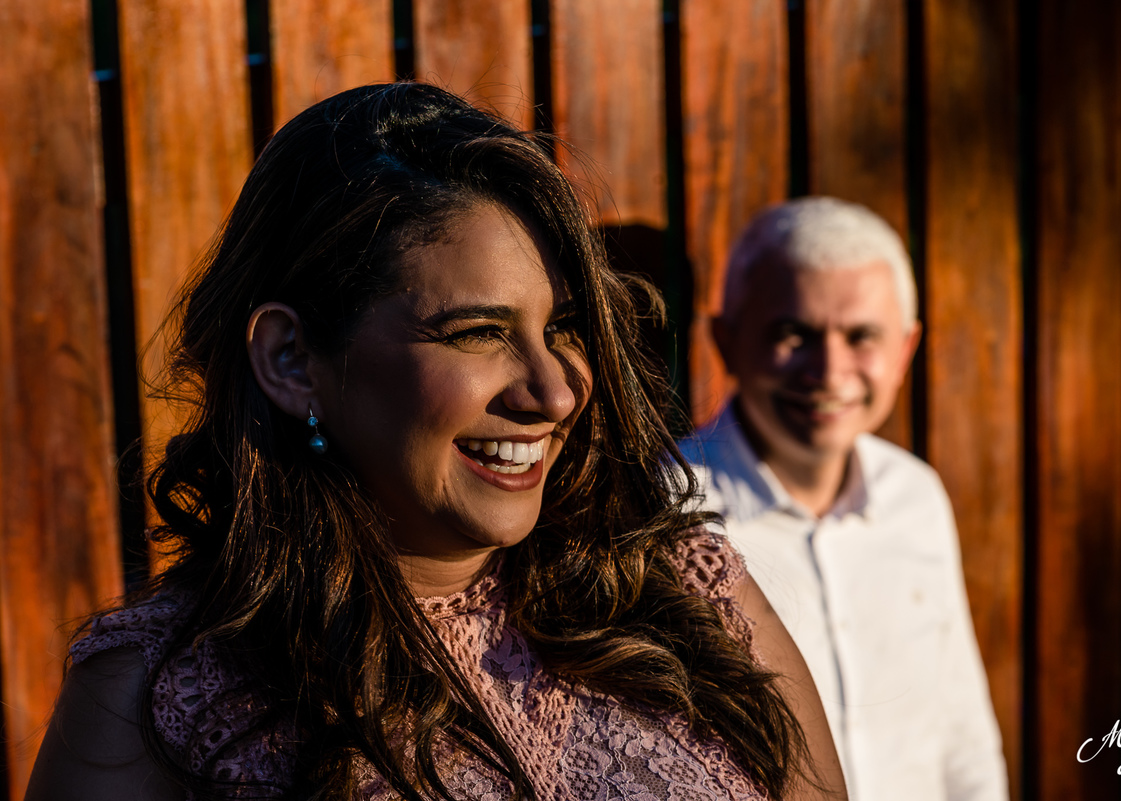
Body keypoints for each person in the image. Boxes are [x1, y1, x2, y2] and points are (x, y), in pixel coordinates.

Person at [25, 83, 845, 801]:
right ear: (291, 358)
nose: (554, 392)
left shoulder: (690, 595)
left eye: (563, 327)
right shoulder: (150, 697)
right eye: (477, 332)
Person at [678, 197, 1007, 801]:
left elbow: (960, 731)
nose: (829, 372)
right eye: (794, 334)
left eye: (861, 337)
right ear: (727, 341)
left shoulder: (915, 497)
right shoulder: (669, 510)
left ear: (905, 350)